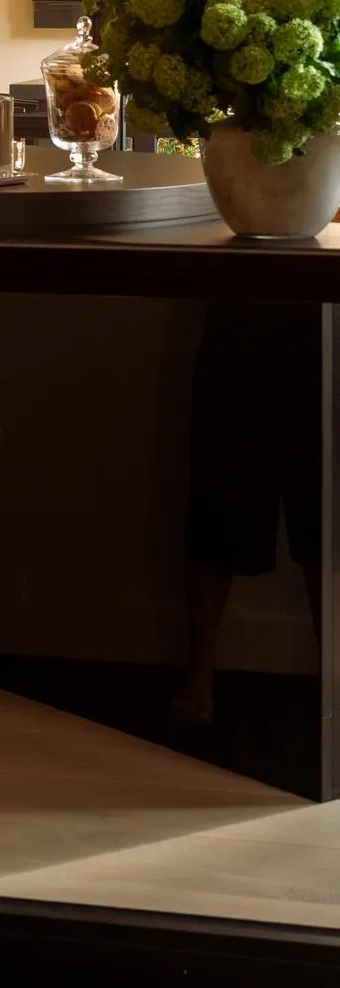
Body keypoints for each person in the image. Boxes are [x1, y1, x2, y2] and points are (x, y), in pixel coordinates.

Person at [173, 300, 322, 725]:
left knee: (325, 505)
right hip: (245, 293)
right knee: (220, 489)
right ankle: (200, 671)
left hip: (318, 292)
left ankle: (332, 681)